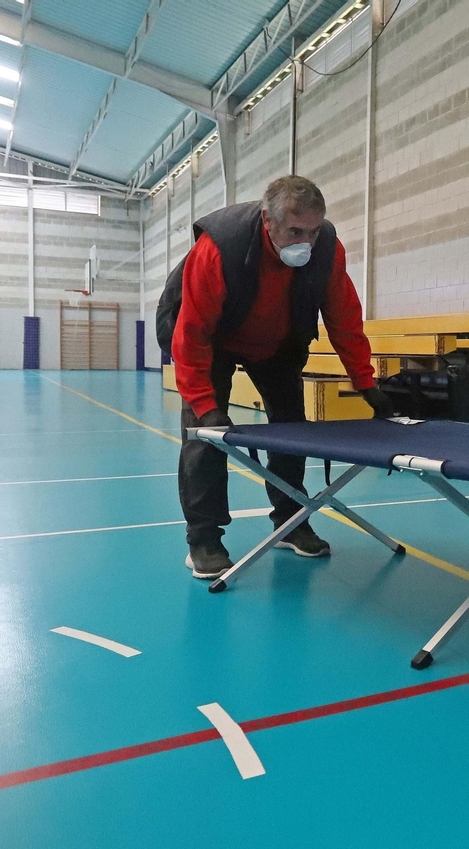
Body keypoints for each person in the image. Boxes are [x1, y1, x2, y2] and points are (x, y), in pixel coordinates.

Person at [165, 175, 393, 579]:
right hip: (212, 340)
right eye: (295, 231)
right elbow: (192, 334)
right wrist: (204, 404)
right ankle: (203, 539)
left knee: (291, 431)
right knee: (204, 437)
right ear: (267, 220)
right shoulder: (219, 249)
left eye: (314, 231)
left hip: (276, 343)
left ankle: (291, 522)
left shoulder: (327, 251)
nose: (306, 241)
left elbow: (344, 318)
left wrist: (365, 382)